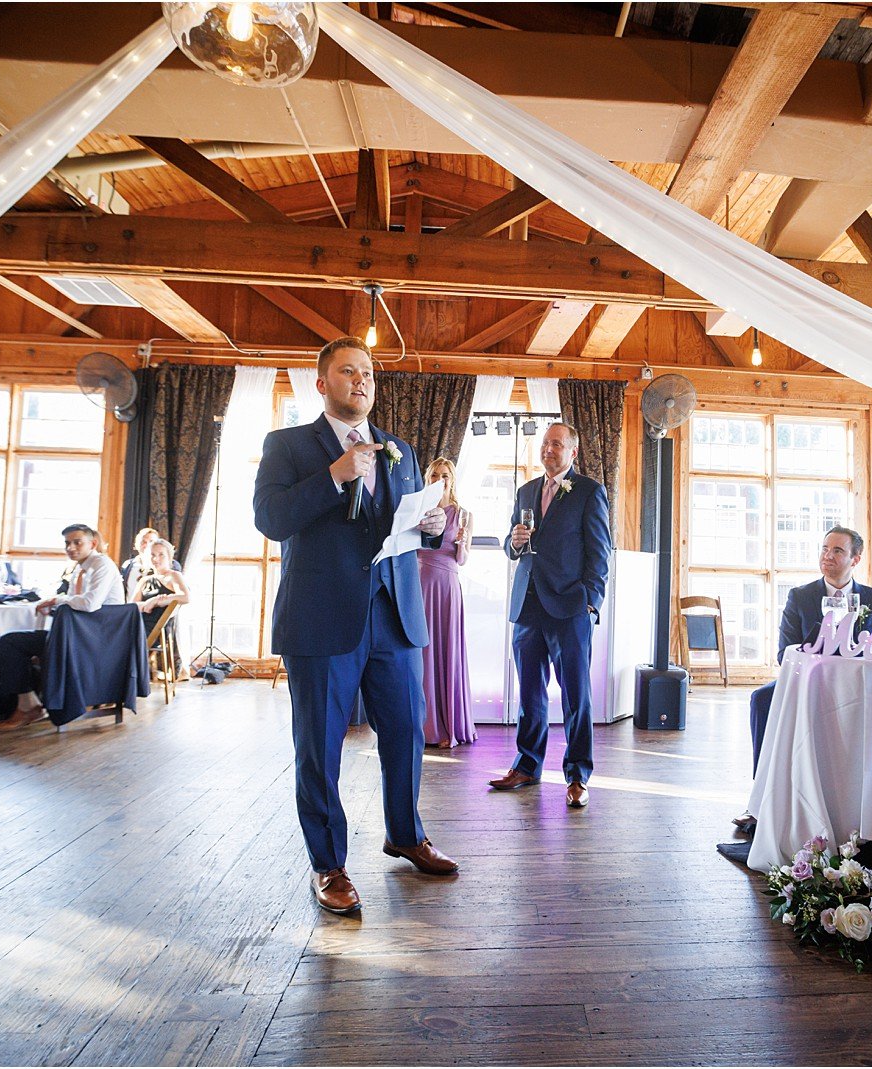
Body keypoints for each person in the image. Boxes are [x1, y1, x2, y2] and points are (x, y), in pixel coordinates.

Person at [254, 336, 458, 915]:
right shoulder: (288, 444)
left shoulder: (400, 449)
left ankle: (405, 833)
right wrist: (333, 477)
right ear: (323, 384)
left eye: (368, 373)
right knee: (319, 745)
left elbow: (407, 530)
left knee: (407, 733)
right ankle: (329, 865)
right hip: (321, 619)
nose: (361, 381)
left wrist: (434, 523)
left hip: (394, 616)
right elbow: (269, 518)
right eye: (348, 371)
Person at [734, 526, 872, 835]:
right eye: (824, 549)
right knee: (762, 699)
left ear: (855, 559)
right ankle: (762, 799)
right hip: (806, 682)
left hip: (859, 687)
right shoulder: (801, 596)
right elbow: (783, 652)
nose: (827, 556)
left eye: (837, 551)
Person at [489, 423, 611, 810]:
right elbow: (512, 546)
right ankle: (527, 765)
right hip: (527, 605)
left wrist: (590, 601)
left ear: (572, 452)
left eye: (556, 444)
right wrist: (513, 541)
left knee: (576, 696)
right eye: (544, 443)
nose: (548, 449)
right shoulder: (526, 490)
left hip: (570, 607)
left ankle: (577, 775)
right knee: (529, 693)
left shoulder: (590, 491)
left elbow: (600, 553)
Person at [0, 523, 125, 731]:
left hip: (96, 639)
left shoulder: (102, 566)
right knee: (11, 641)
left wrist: (57, 600)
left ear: (93, 543)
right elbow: (72, 602)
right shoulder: (79, 569)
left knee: (11, 643)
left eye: (77, 542)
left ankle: (29, 706)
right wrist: (53, 606)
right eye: (67, 543)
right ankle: (28, 704)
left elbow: (90, 603)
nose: (70, 548)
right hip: (76, 633)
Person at [417, 456, 476, 748]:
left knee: (446, 651)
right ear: (428, 478)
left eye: (446, 475)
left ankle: (447, 726)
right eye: (435, 474)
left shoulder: (463, 514)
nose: (441, 479)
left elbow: (462, 560)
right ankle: (424, 725)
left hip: (447, 586)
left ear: (452, 480)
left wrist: (463, 542)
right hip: (419, 585)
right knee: (422, 655)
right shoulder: (418, 510)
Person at [132, 537, 189, 670]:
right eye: (152, 555)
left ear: (169, 557)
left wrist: (156, 601)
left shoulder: (173, 576)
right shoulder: (145, 580)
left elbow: (185, 597)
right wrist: (147, 603)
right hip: (137, 624)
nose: (156, 559)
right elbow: (132, 606)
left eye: (161, 555)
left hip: (153, 630)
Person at [121, 527, 180, 593]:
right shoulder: (128, 564)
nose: (147, 545)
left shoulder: (172, 565)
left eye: (151, 541)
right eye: (143, 542)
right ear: (137, 544)